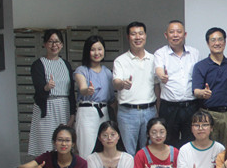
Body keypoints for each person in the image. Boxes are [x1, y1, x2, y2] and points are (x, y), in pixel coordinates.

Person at [113, 21, 159, 156]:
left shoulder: (154, 59)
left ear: (145, 36)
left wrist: (158, 110)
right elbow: (116, 82)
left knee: (149, 151)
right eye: (133, 34)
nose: (138, 37)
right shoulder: (120, 60)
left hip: (150, 111)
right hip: (127, 113)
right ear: (128, 37)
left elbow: (157, 87)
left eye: (140, 33)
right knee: (128, 153)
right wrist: (123, 84)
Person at [28, 29, 76, 156]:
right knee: (47, 147)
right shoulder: (38, 64)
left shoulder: (66, 64)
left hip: (64, 107)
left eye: (57, 42)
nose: (54, 45)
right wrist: (46, 87)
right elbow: (38, 91)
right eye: (50, 41)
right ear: (45, 44)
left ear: (62, 44)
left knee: (64, 145)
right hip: (47, 108)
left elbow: (71, 92)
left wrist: (72, 114)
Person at [154, 20, 200, 147]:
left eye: (179, 32)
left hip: (191, 106)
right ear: (166, 35)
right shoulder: (160, 53)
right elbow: (158, 69)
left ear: (185, 34)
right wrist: (161, 75)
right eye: (172, 32)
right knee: (168, 141)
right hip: (169, 107)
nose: (175, 35)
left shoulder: (194, 53)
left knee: (191, 141)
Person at [192, 27, 227, 147]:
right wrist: (202, 93)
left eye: (220, 39)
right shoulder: (200, 66)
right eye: (213, 40)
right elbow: (195, 90)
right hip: (208, 114)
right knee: (208, 147)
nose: (217, 43)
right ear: (208, 43)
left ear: (225, 42)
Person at [74, 35, 114, 156]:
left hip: (104, 112)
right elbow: (82, 88)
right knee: (87, 148)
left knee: (105, 148)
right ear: (87, 51)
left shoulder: (107, 72)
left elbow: (112, 99)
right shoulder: (81, 70)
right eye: (93, 50)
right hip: (87, 112)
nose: (97, 53)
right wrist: (87, 90)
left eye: (100, 49)